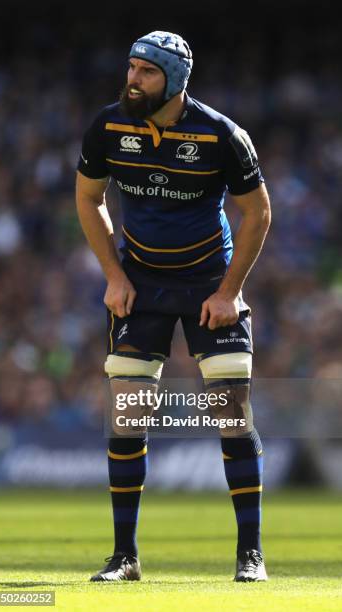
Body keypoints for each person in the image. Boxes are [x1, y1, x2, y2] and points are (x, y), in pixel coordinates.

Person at [76, 30, 271, 583]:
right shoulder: (108, 126)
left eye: (147, 72)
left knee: (231, 417)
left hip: (211, 281)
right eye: (132, 68)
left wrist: (229, 291)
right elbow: (88, 199)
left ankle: (249, 556)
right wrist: (113, 275)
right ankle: (124, 558)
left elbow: (258, 213)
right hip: (140, 285)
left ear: (176, 81)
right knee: (127, 415)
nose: (133, 79)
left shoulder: (223, 136)